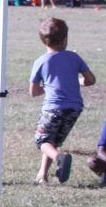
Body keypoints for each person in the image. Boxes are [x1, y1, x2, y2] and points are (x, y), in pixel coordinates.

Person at [29, 16, 96, 184]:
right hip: (74, 108)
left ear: (43, 41)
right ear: (65, 38)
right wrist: (77, 81)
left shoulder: (41, 61)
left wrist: (48, 86)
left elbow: (34, 91)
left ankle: (60, 158)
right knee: (52, 141)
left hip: (53, 108)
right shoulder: (74, 57)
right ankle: (42, 175)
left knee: (42, 141)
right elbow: (90, 80)